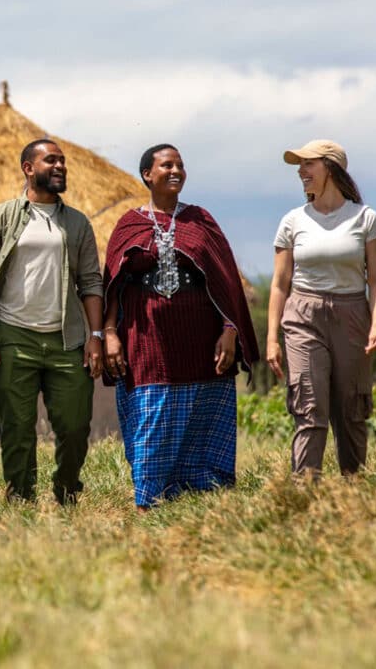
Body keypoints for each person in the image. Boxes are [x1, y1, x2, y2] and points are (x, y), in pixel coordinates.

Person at [103, 144, 258, 510]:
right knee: (152, 413)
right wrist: (109, 333)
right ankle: (150, 498)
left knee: (206, 412)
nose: (176, 171)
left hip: (202, 338)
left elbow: (227, 283)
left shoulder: (201, 221)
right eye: (166, 165)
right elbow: (111, 285)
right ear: (147, 175)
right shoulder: (129, 224)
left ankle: (207, 493)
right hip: (148, 340)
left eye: (180, 165)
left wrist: (230, 330)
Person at [0, 139, 104, 505]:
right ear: (28, 168)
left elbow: (91, 282)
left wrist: (95, 336)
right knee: (17, 428)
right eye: (51, 160)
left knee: (75, 426)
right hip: (14, 336)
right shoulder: (0, 217)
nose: (60, 166)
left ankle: (66, 490)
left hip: (67, 339)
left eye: (63, 161)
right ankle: (21, 498)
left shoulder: (78, 223)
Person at [266, 139, 376, 478]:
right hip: (303, 315)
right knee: (309, 405)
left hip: (352, 315)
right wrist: (272, 338)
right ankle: (305, 492)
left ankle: (352, 490)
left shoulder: (366, 219)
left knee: (351, 409)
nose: (301, 172)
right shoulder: (292, 220)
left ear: (330, 168)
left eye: (308, 164)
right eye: (299, 166)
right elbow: (279, 283)